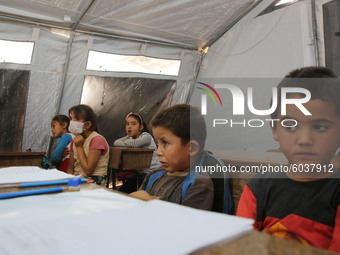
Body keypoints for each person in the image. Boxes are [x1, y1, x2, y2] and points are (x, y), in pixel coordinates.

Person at [237, 67, 340, 252]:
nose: (304, 140)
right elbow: (241, 245)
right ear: (274, 130)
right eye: (290, 126)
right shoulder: (259, 188)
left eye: (320, 127)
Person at [130, 104, 215, 211]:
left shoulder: (199, 184)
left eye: (165, 143)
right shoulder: (153, 176)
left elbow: (188, 224)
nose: (158, 152)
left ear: (191, 148)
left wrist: (150, 204)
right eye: (157, 144)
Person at [113, 112, 161, 193]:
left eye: (133, 124)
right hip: (140, 173)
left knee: (134, 193)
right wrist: (129, 141)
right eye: (127, 124)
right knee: (121, 192)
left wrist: (127, 142)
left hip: (153, 172)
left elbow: (134, 144)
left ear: (141, 127)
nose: (129, 126)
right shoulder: (130, 137)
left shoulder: (146, 136)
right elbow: (116, 142)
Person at [67, 104, 109, 186]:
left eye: (75, 119)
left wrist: (79, 147)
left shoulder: (97, 140)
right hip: (78, 179)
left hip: (95, 180)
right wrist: (70, 182)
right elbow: (70, 169)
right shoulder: (75, 141)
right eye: (70, 119)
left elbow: (89, 170)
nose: (71, 122)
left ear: (87, 125)